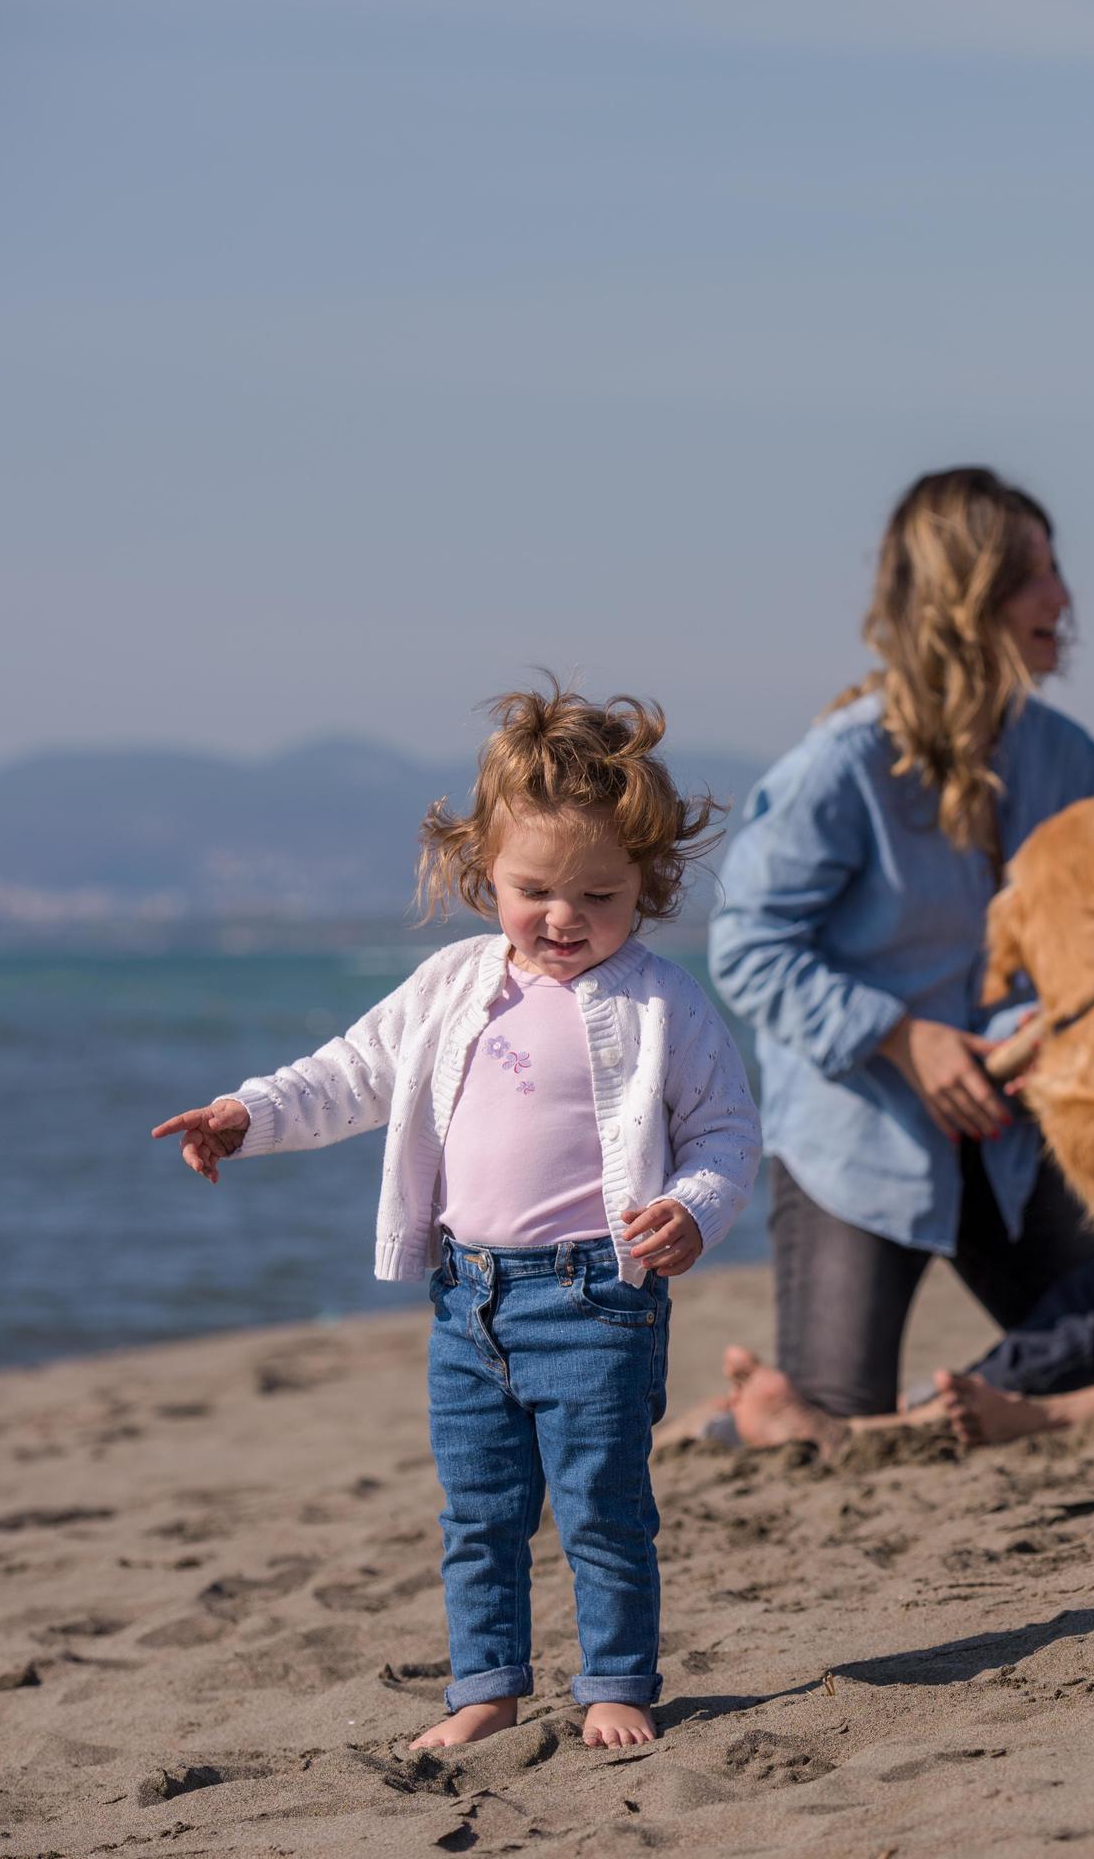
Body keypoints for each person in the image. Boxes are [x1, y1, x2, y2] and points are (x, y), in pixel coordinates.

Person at [149, 686, 759, 1751]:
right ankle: (487, 1685)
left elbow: (727, 1133)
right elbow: (351, 1072)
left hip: (598, 1298)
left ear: (647, 891)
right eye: (536, 890)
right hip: (466, 1296)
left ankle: (616, 1680)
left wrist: (695, 1209)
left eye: (599, 896)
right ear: (484, 874)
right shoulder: (453, 984)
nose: (565, 918)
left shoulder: (664, 1003)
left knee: (600, 1507)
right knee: (479, 1514)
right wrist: (249, 1113)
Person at [706, 467, 1094, 1449]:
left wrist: (1042, 1022)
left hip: (1017, 1136)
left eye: (1057, 570)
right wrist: (904, 1038)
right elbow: (746, 948)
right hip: (861, 1137)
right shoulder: (840, 766)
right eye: (1032, 578)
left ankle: (931, 1418)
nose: (1062, 599)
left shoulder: (1070, 759)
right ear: (960, 601)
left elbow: (1070, 948)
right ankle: (737, 1425)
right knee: (826, 1423)